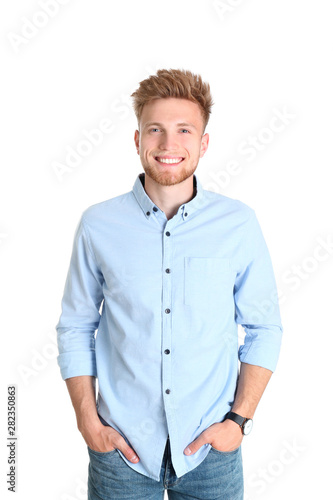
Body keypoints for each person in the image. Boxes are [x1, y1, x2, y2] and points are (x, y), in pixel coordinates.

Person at [56, 69, 283, 500]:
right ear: (137, 139)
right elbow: (75, 326)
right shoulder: (98, 224)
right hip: (121, 454)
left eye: (184, 130)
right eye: (155, 130)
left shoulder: (238, 224)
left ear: (204, 142)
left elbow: (264, 327)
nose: (168, 144)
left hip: (210, 455)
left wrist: (237, 422)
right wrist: (88, 423)